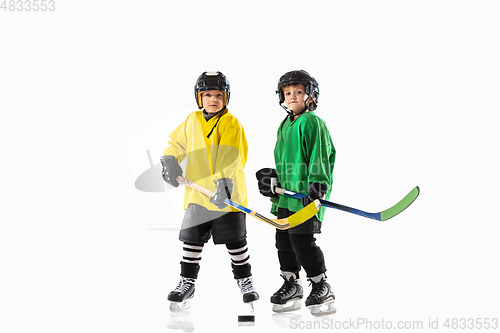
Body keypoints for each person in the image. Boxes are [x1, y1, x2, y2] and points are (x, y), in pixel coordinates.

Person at [161, 71, 259, 311]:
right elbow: (177, 143)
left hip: (226, 192)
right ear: (199, 98)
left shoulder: (230, 122)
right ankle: (187, 282)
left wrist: (223, 182)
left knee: (235, 242)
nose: (213, 99)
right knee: (191, 242)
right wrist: (170, 158)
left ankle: (245, 281)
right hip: (197, 194)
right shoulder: (192, 120)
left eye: (218, 95)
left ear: (226, 98)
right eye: (207, 95)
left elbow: (232, 156)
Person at [256, 70, 336, 316]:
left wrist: (318, 185)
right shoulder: (284, 125)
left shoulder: (312, 121)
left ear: (310, 96)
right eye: (287, 92)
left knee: (302, 241)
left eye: (298, 92)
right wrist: (273, 181)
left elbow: (320, 154)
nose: (292, 96)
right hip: (286, 197)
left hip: (305, 196)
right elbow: (284, 160)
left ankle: (321, 284)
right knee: (283, 242)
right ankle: (292, 284)